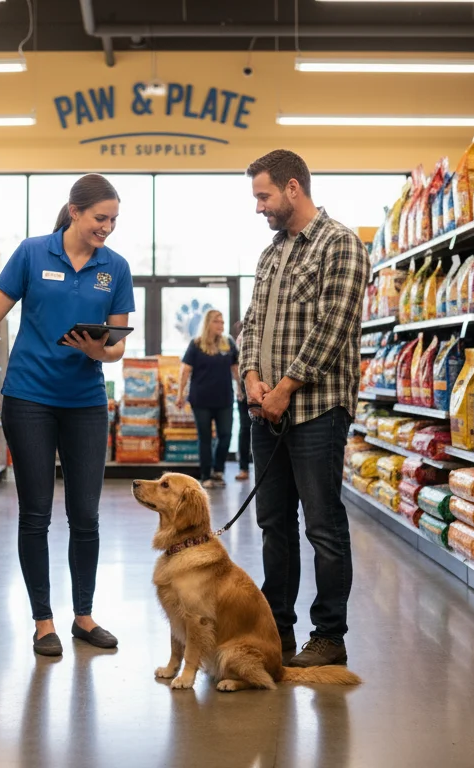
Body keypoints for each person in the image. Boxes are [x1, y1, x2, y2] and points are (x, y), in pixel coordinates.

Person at [0, 174, 135, 658]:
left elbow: (118, 347)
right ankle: (43, 622)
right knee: (35, 514)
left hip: (85, 403)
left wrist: (100, 350)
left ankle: (83, 616)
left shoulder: (114, 268)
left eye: (114, 220)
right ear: (74, 211)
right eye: (101, 218)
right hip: (29, 399)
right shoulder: (33, 253)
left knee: (86, 516)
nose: (108, 228)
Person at [238, 149, 368, 668]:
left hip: (316, 410)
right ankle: (278, 632)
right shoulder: (271, 254)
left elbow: (334, 327)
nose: (259, 207)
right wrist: (251, 377)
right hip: (263, 412)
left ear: (294, 188)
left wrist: (285, 388)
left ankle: (329, 637)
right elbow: (250, 323)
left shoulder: (340, 244)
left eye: (263, 196)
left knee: (322, 525)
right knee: (273, 524)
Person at [174, 309, 239, 489]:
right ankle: (205, 475)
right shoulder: (196, 344)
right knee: (205, 439)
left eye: (223, 322)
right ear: (208, 324)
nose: (221, 325)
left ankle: (218, 470)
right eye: (217, 321)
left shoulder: (229, 344)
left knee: (225, 435)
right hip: (200, 399)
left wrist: (241, 390)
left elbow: (236, 369)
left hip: (224, 399)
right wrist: (180, 394)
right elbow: (185, 371)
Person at [232, 321, 251, 481]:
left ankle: (245, 468)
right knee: (246, 429)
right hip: (246, 391)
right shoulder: (243, 337)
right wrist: (239, 388)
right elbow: (237, 366)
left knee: (246, 429)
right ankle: (244, 467)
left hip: (247, 390)